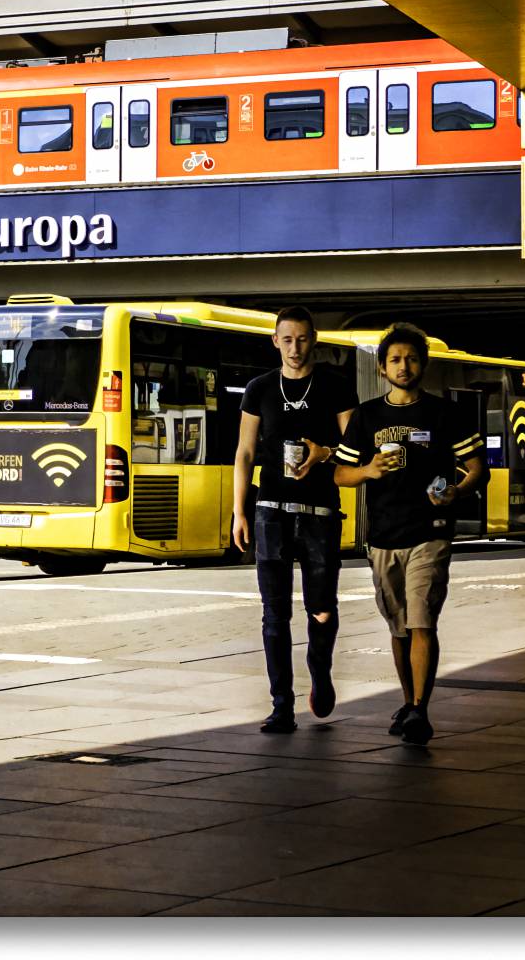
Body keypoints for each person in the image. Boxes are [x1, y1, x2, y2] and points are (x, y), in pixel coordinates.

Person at [334, 323, 485, 746]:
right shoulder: (367, 416)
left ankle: (420, 708)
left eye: (412, 359)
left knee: (422, 620)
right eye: (396, 360)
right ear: (382, 369)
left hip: (430, 532)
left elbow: (478, 469)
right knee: (399, 627)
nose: (404, 366)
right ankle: (408, 702)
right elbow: (341, 474)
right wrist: (368, 470)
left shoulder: (444, 413)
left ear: (424, 365)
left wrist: (456, 490)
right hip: (383, 535)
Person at [233, 306, 357, 734]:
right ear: (275, 341)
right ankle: (281, 705)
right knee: (274, 613)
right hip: (270, 512)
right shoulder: (260, 389)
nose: (295, 348)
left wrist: (324, 453)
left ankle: (320, 672)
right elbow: (245, 453)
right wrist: (239, 511)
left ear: (313, 340)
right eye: (287, 339)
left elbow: (355, 450)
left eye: (302, 339)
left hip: (320, 512)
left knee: (321, 609)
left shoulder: (335, 387)